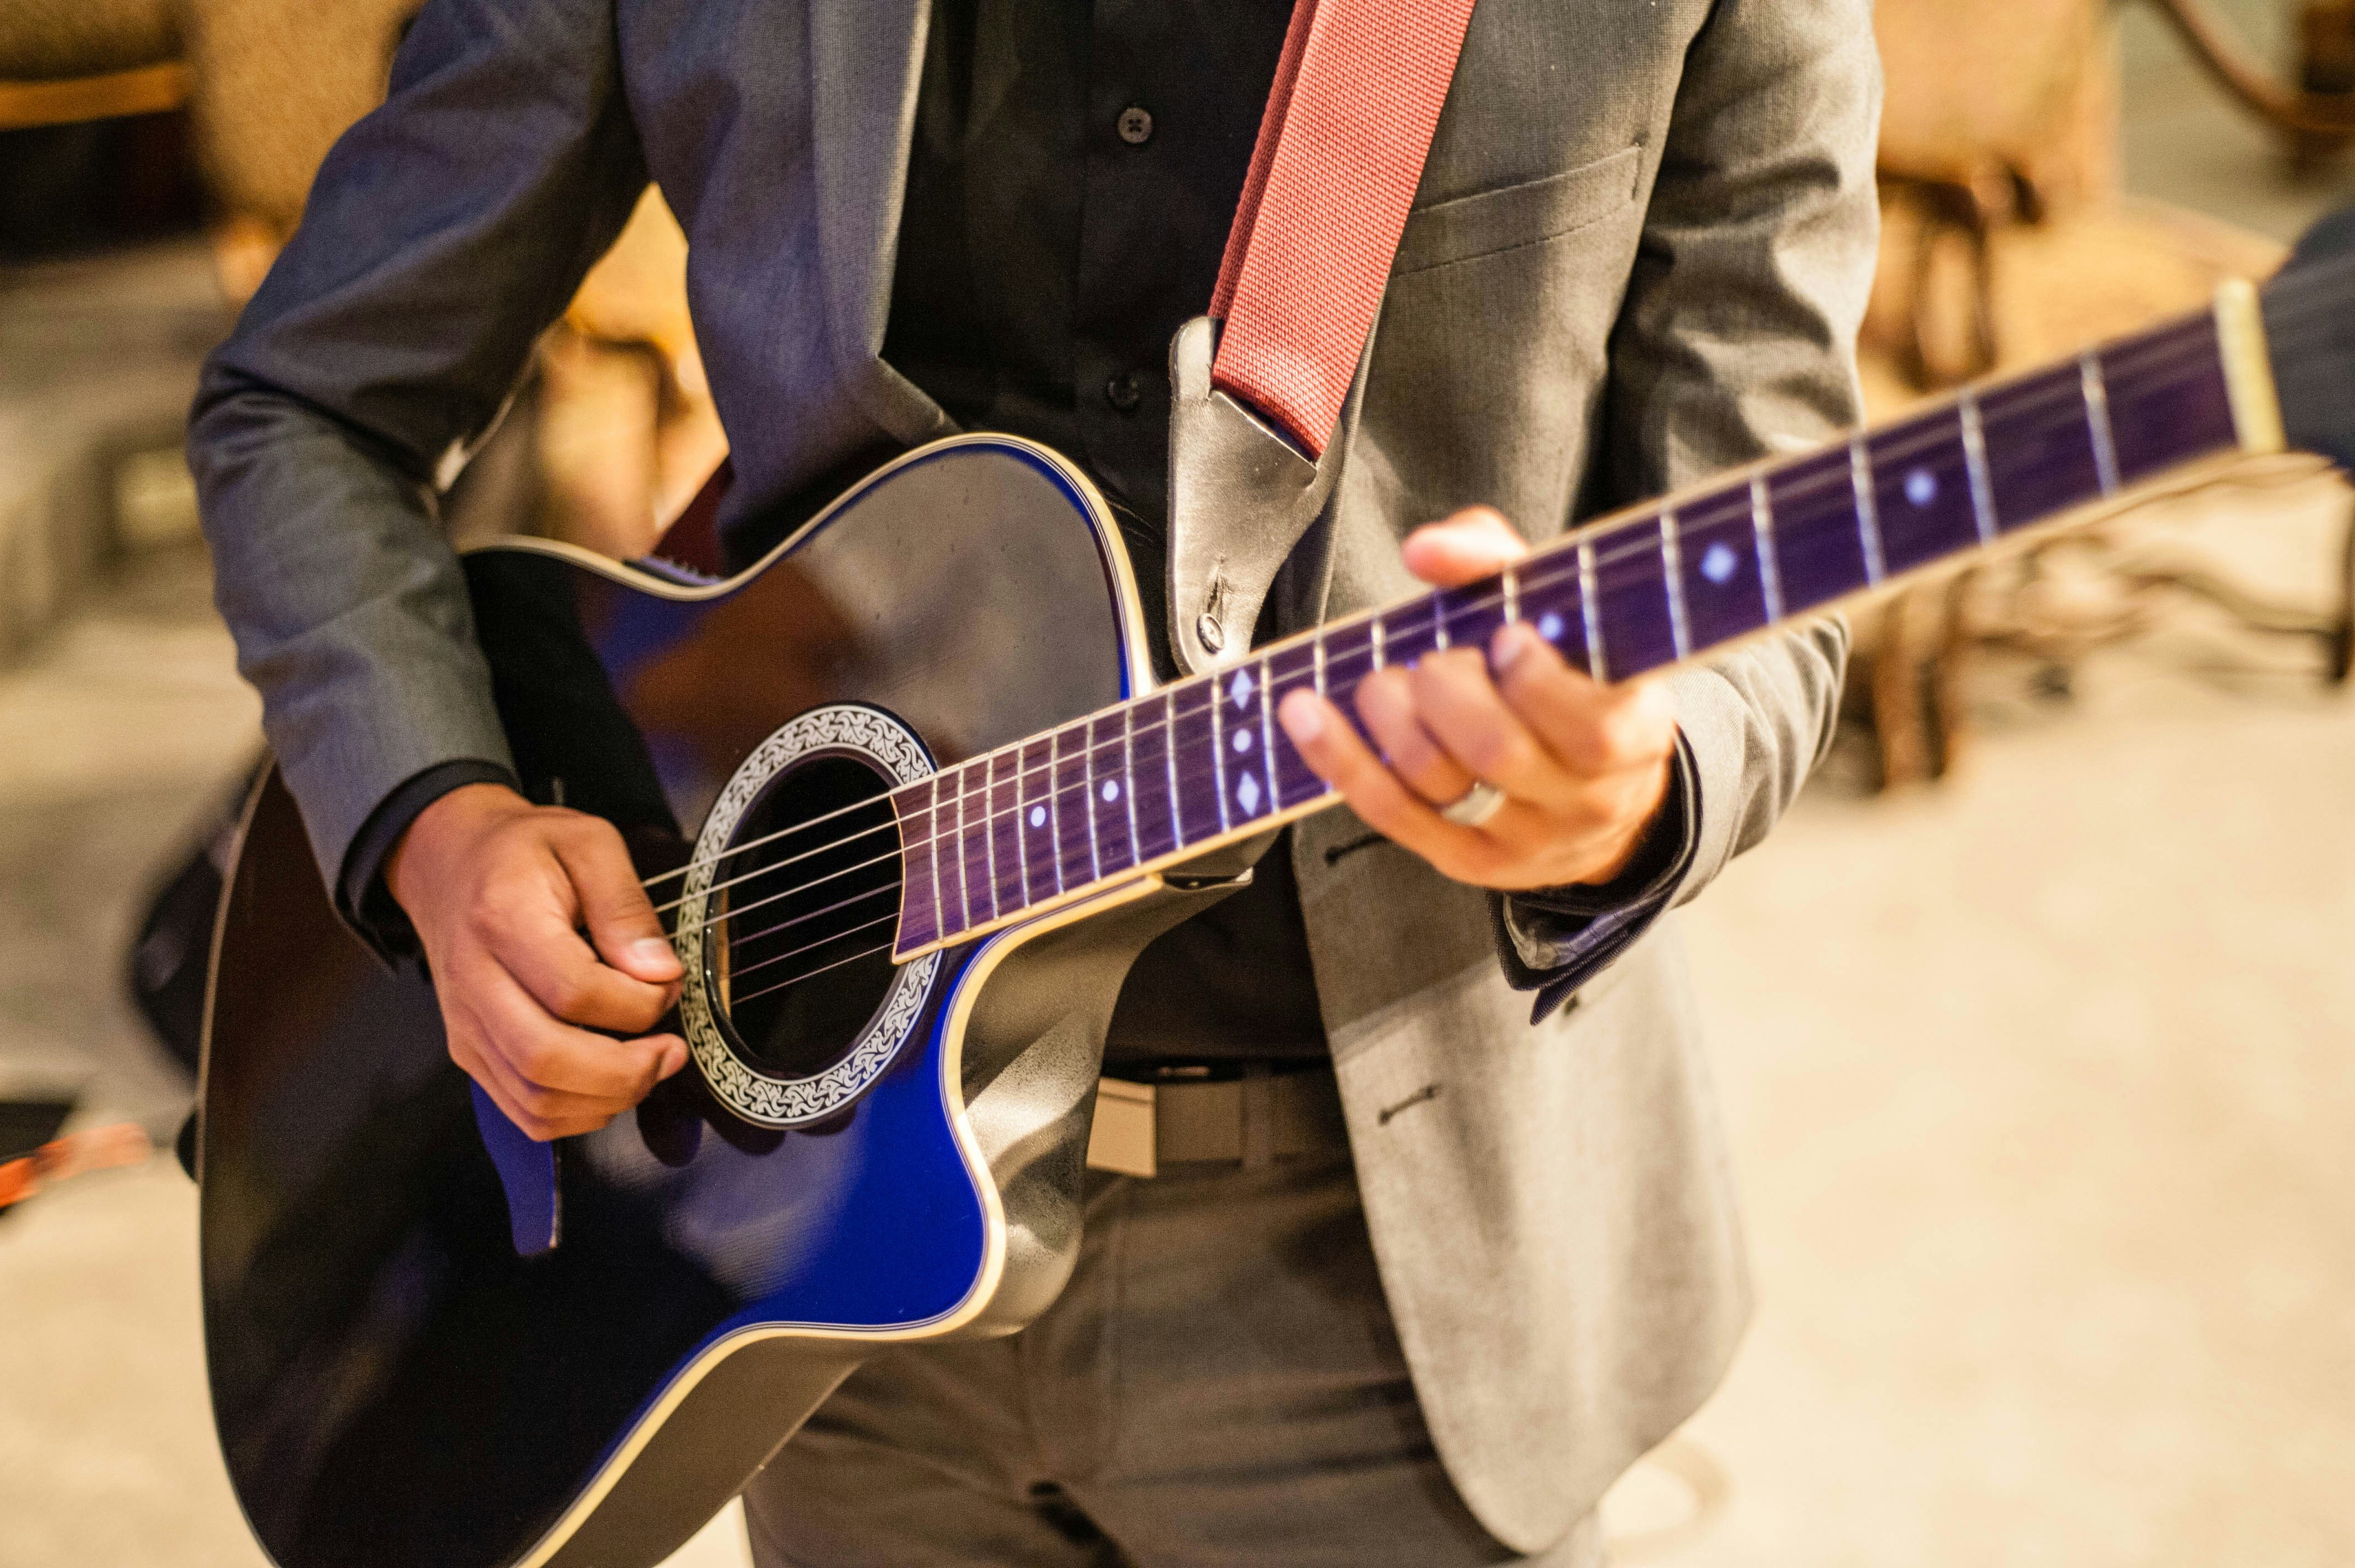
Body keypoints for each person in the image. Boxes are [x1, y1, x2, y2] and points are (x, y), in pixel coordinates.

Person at [187, 1, 1879, 1562]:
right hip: (812, 1232)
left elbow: (1773, 540)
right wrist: (435, 815)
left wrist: (1638, 783)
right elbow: (306, 402)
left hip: (1397, 1267)